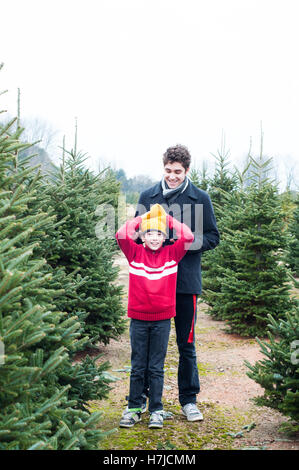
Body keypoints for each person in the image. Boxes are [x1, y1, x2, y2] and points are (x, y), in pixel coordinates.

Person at [135, 145, 220, 422]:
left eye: (178, 172)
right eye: (169, 171)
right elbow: (136, 235)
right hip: (153, 284)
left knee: (187, 345)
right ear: (164, 168)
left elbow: (212, 236)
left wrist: (184, 244)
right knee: (148, 347)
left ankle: (189, 399)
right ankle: (146, 401)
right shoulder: (148, 196)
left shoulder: (200, 198)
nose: (172, 177)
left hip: (185, 283)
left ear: (187, 171)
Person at [115, 203, 194, 428]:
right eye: (149, 233)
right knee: (138, 365)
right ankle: (133, 408)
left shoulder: (172, 253)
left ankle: (156, 409)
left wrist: (167, 219)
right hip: (139, 320)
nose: (153, 237)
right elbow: (121, 234)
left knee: (156, 367)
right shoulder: (134, 252)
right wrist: (144, 218)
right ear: (142, 235)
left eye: (158, 233)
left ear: (164, 236)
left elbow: (187, 235)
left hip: (162, 320)